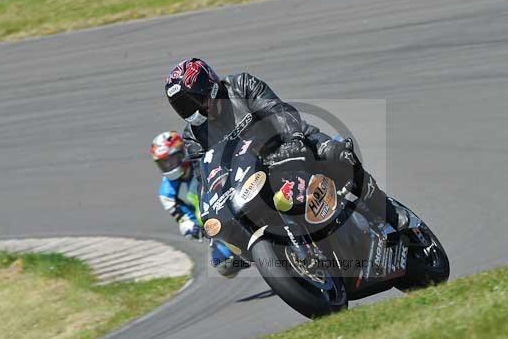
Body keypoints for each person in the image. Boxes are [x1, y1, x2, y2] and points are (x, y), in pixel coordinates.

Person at [162, 58, 407, 231]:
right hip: (251, 182)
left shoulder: (241, 86)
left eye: (194, 101)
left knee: (338, 155)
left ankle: (390, 213)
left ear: (210, 87)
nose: (193, 110)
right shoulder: (193, 136)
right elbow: (205, 180)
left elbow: (277, 111)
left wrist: (294, 139)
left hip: (290, 148)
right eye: (184, 107)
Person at [149, 131, 246, 277]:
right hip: (214, 225)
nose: (169, 165)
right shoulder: (166, 193)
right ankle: (260, 261)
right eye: (164, 163)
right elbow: (182, 218)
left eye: (172, 160)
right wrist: (190, 228)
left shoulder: (201, 159)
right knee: (223, 265)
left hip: (234, 201)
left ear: (182, 153)